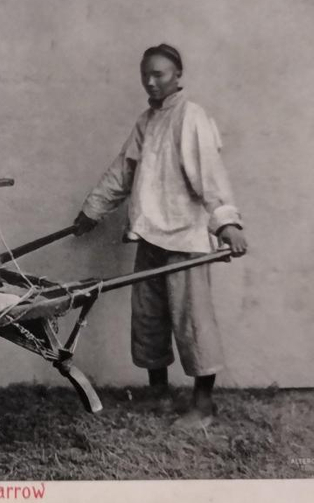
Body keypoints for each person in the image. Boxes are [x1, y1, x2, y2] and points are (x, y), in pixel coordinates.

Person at [73, 44, 248, 429]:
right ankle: (159, 394)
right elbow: (123, 171)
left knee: (192, 321)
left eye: (160, 74)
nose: (151, 82)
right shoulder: (147, 120)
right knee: (149, 319)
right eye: (146, 75)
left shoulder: (191, 116)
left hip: (186, 239)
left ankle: (203, 406)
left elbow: (210, 175)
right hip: (150, 236)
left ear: (177, 75)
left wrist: (227, 224)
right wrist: (92, 210)